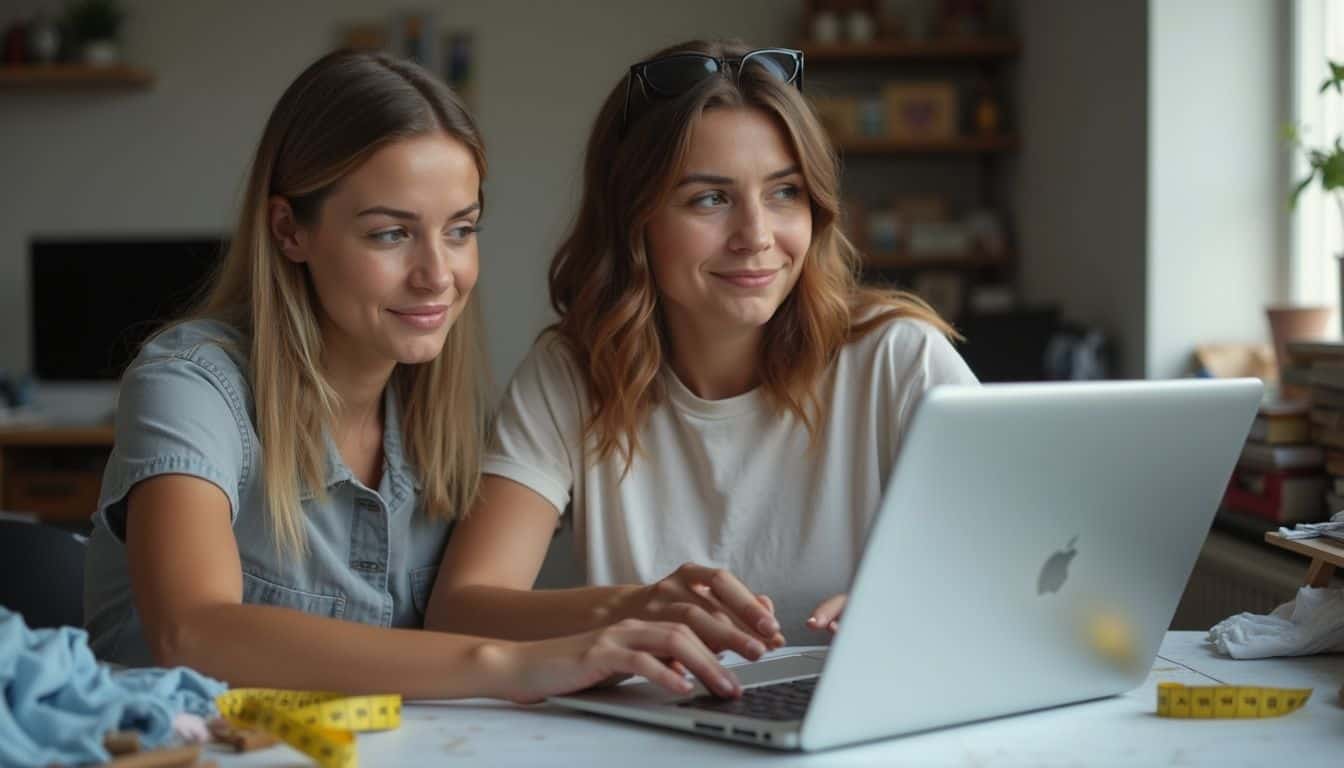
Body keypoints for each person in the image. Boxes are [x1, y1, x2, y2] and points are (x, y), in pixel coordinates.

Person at [83, 49, 743, 702]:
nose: (438, 275)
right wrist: (510, 665)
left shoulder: (445, 424)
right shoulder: (191, 384)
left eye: (460, 231)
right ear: (289, 230)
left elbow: (472, 609)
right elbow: (191, 631)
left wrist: (634, 614)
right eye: (390, 235)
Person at [425, 39, 979, 650]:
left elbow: (1025, 568)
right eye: (710, 198)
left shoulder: (900, 360)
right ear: (634, 221)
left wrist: (917, 600)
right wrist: (635, 607)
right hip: (660, 728)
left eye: (785, 192)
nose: (756, 235)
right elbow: (462, 609)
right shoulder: (572, 373)